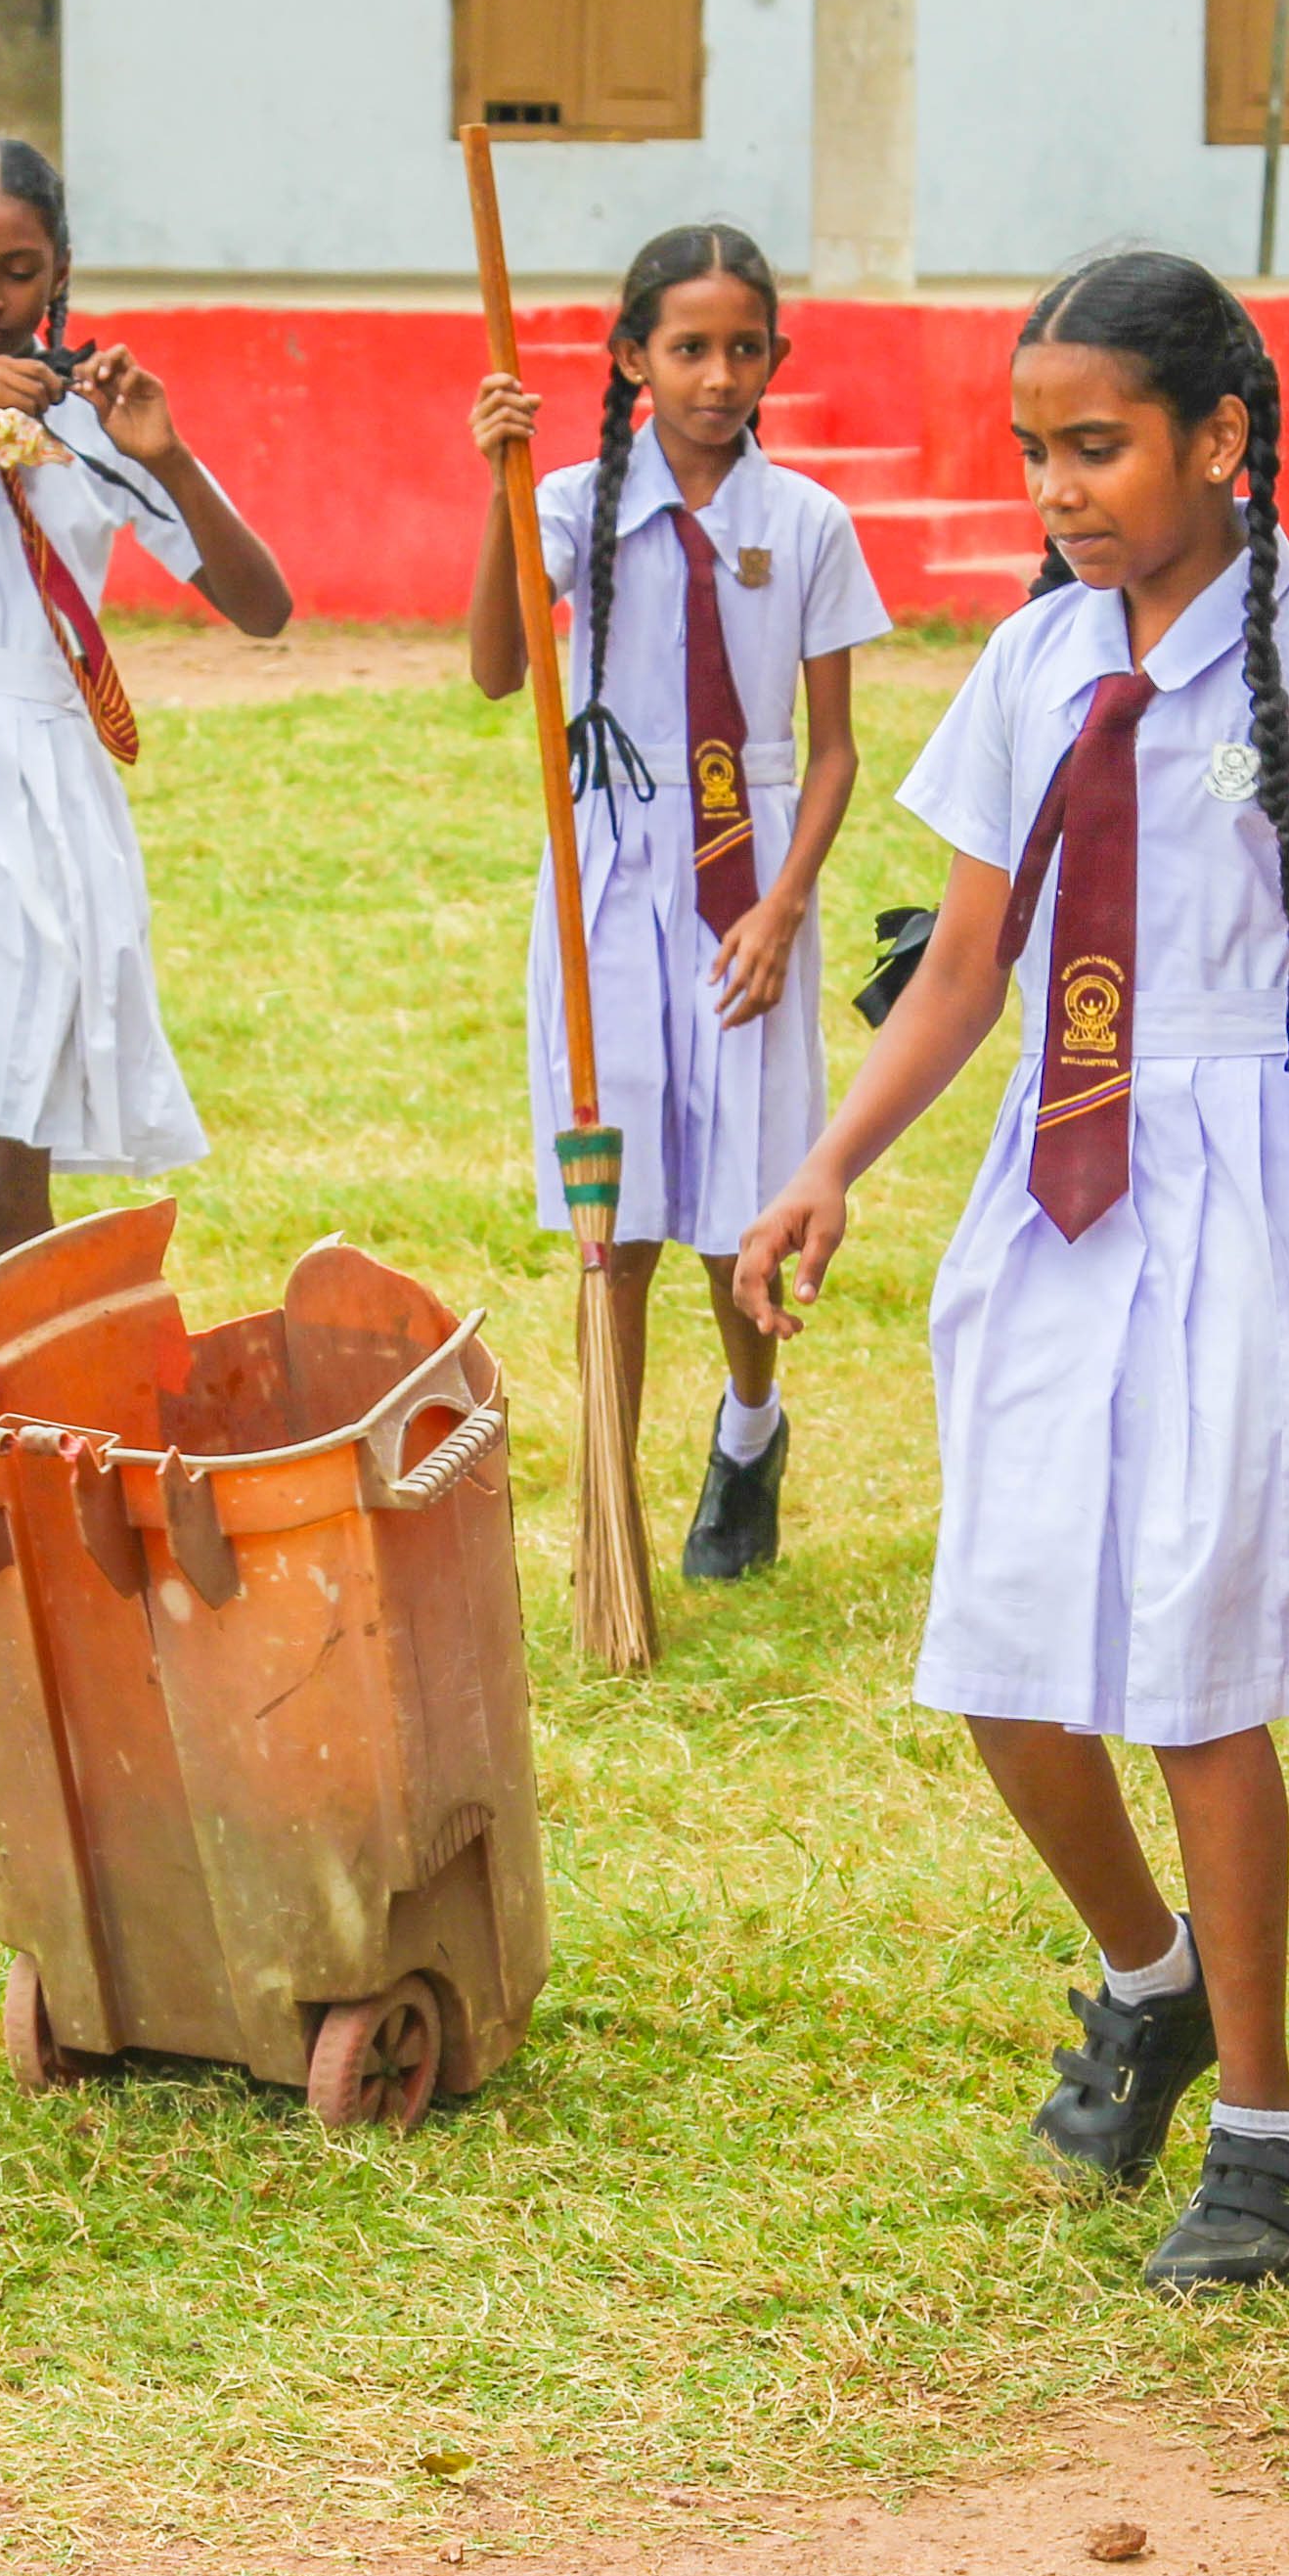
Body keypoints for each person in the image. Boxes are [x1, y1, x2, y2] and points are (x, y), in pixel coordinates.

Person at [734, 252, 1289, 2293]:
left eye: (1097, 446)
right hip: (1058, 1180)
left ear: (1219, 439)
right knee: (1003, 1647)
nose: (1058, 489)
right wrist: (826, 1165)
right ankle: (1146, 1978)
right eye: (1034, 453)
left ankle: (1266, 2132)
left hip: (1254, 1188)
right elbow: (966, 967)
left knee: (1195, 1662)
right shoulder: (1032, 663)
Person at [463, 221, 888, 1577]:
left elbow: (831, 749)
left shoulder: (805, 524)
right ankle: (614, 1507)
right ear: (631, 357)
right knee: (624, 1210)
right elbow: (494, 672)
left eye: (743, 349)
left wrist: (784, 907)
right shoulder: (571, 504)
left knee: (742, 1190)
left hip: (749, 877)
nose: (716, 377)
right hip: (610, 870)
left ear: (775, 358)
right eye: (688, 348)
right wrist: (499, 493)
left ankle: (749, 1434)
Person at [0, 137, 291, 1273]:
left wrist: (169, 460)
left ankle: (11, 1370)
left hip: (38, 772)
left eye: (18, 271)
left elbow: (262, 607)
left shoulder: (97, 420)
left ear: (60, 271)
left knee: (5, 1130)